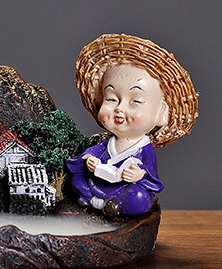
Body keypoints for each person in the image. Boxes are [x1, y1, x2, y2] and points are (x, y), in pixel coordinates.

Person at [68, 34, 198, 217]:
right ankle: (94, 201)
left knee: (139, 197)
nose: (119, 109)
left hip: (124, 188)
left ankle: (116, 206)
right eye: (111, 99)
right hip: (99, 182)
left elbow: (151, 176)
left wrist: (140, 175)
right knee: (78, 179)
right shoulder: (108, 143)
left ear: (161, 113)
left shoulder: (144, 148)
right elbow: (93, 153)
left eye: (135, 101)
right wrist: (89, 159)